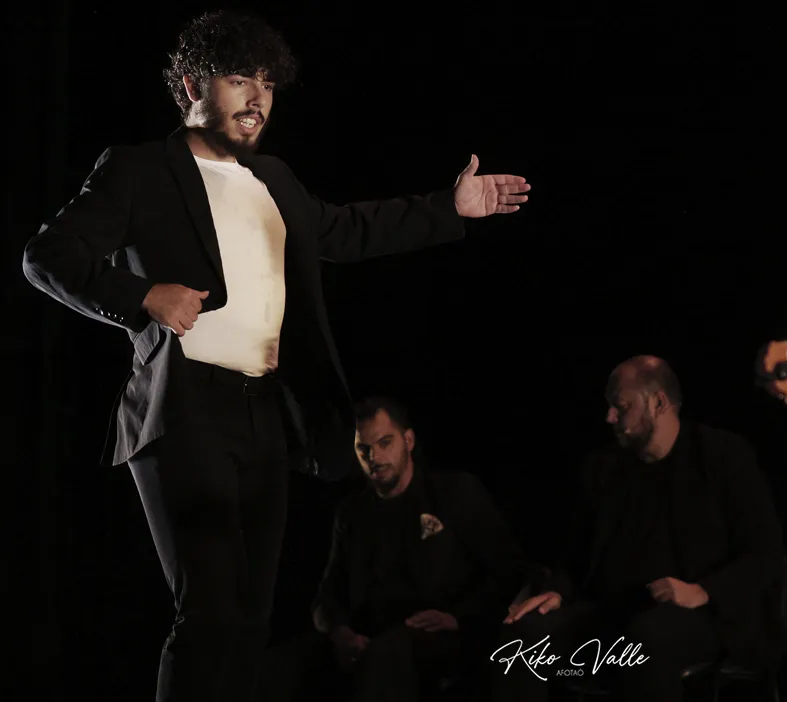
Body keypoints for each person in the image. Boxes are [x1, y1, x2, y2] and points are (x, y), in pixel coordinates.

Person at [21, 11, 530, 702]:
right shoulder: (139, 170)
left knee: (250, 620)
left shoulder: (274, 179)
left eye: (266, 82)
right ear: (192, 85)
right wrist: (143, 295)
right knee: (210, 613)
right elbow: (49, 256)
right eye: (240, 79)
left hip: (265, 412)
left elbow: (347, 229)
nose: (258, 97)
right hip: (185, 408)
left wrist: (450, 207)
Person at [492, 355, 787, 702]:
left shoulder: (721, 456)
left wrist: (703, 591)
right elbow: (575, 556)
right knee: (522, 638)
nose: (609, 417)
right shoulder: (604, 468)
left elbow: (765, 553)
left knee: (645, 640)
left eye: (621, 407)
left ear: (658, 403)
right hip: (613, 611)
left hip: (701, 614)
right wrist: (557, 592)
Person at [259, 397, 530, 701]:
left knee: (386, 657)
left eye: (385, 442)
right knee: (276, 668)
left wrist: (460, 617)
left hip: (441, 637)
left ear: (408, 440)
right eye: (363, 449)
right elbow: (327, 597)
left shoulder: (453, 493)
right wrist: (340, 634)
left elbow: (511, 571)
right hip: (368, 635)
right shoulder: (351, 513)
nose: (374, 456)